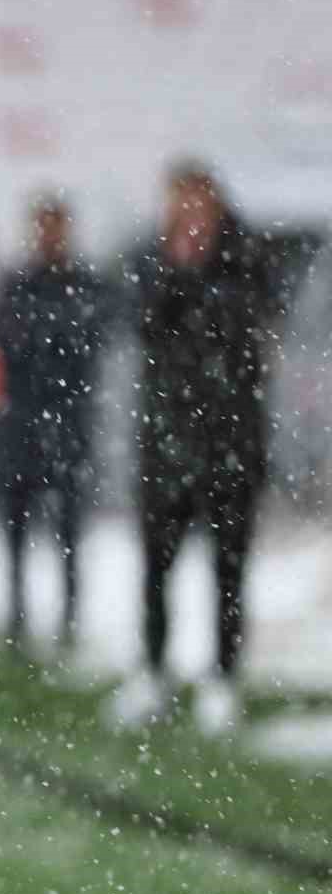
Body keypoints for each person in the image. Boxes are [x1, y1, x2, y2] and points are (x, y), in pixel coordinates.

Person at [108, 163, 293, 736]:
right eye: (179, 202)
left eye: (197, 202)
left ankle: (222, 677)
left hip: (232, 437)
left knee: (228, 569)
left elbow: (249, 325)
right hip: (167, 440)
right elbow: (139, 323)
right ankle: (154, 671)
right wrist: (176, 271)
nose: (188, 214)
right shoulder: (148, 256)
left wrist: (205, 273)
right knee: (156, 566)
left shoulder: (250, 256)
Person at [0, 195, 110, 649]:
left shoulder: (88, 284)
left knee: (69, 527)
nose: (50, 236)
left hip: (69, 423)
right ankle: (18, 615)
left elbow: (88, 338)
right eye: (43, 226)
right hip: (20, 424)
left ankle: (69, 617)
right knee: (16, 524)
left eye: (56, 226)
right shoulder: (16, 285)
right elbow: (6, 341)